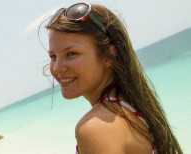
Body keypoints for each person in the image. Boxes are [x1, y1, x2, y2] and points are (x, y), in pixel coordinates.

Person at [44, 2, 182, 154]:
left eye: (71, 53)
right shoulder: (132, 110)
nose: (57, 68)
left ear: (108, 56)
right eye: (53, 56)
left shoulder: (96, 128)